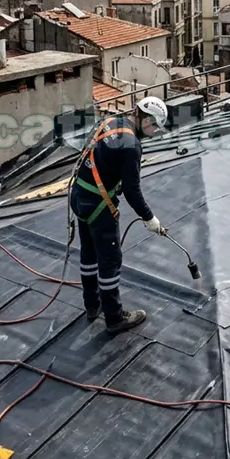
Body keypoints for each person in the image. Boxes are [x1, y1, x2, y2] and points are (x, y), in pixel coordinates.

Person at [70, 96, 169, 334]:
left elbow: (97, 156)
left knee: (89, 253)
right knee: (110, 261)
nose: (154, 132)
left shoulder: (108, 121)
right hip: (98, 206)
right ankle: (114, 318)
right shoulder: (131, 145)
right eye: (153, 125)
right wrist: (149, 218)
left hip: (80, 197)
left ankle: (92, 306)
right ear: (143, 117)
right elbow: (133, 191)